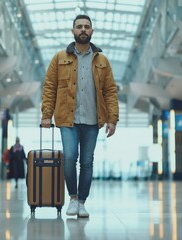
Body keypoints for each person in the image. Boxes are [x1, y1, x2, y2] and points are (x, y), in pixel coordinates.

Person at [41, 14, 119, 218]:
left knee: (87, 161)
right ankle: (72, 199)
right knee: (69, 157)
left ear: (91, 31)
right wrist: (46, 115)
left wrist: (112, 119)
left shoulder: (102, 60)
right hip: (67, 119)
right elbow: (49, 87)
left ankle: (82, 202)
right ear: (73, 31)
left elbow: (110, 90)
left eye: (86, 26)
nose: (83, 29)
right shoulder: (59, 58)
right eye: (79, 27)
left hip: (93, 121)